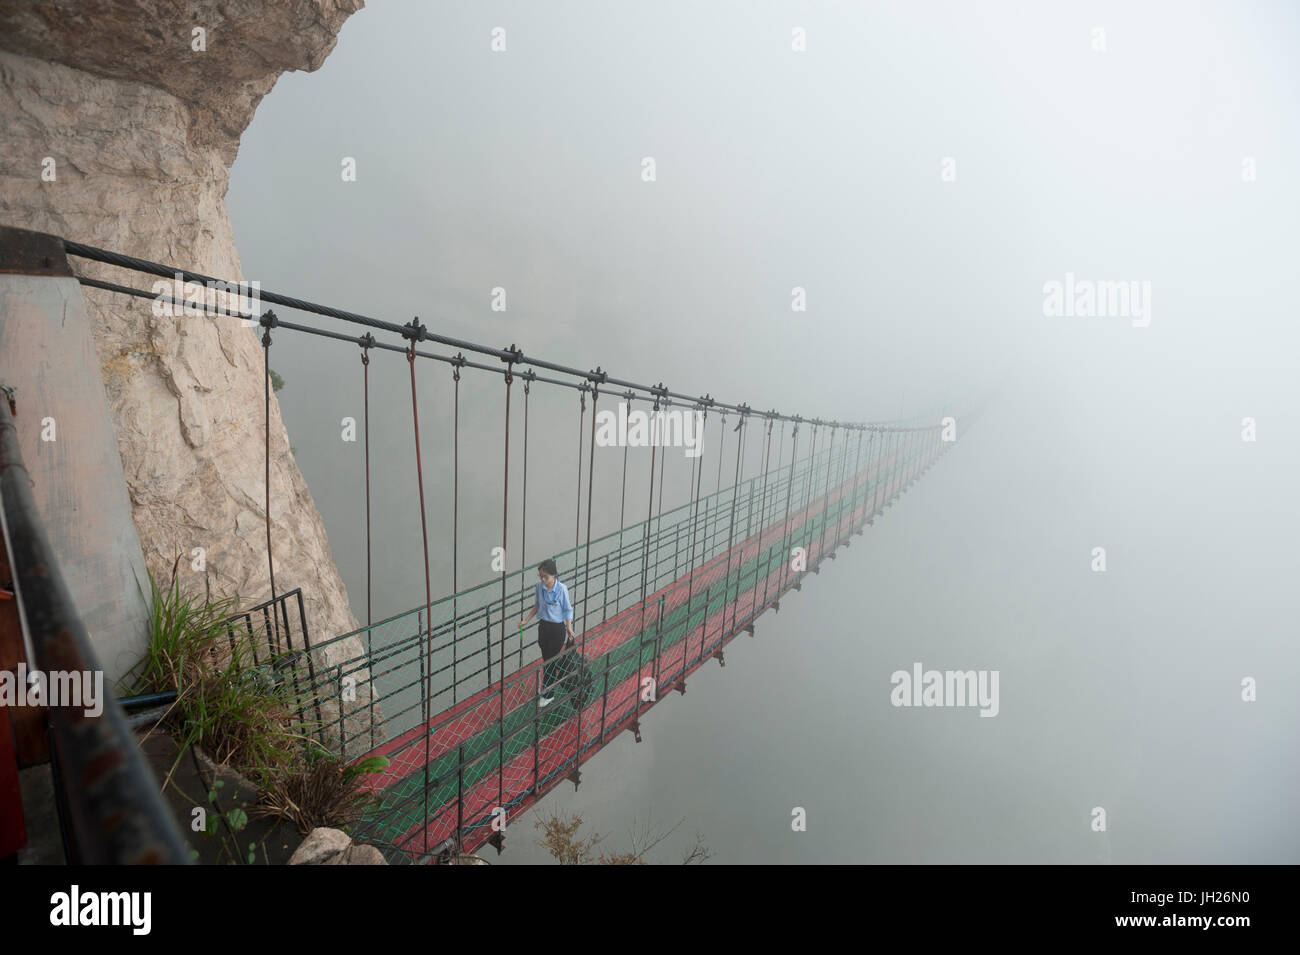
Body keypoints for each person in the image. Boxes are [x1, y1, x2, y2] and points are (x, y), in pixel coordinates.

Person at [519, 558, 575, 707]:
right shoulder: (539, 587)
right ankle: (551, 683)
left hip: (557, 629)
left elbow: (568, 609)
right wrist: (526, 620)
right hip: (543, 627)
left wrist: (569, 626)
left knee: (549, 662)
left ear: (554, 575)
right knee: (547, 660)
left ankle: (548, 694)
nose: (543, 579)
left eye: (546, 577)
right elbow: (537, 605)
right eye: (541, 576)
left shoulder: (562, 589)